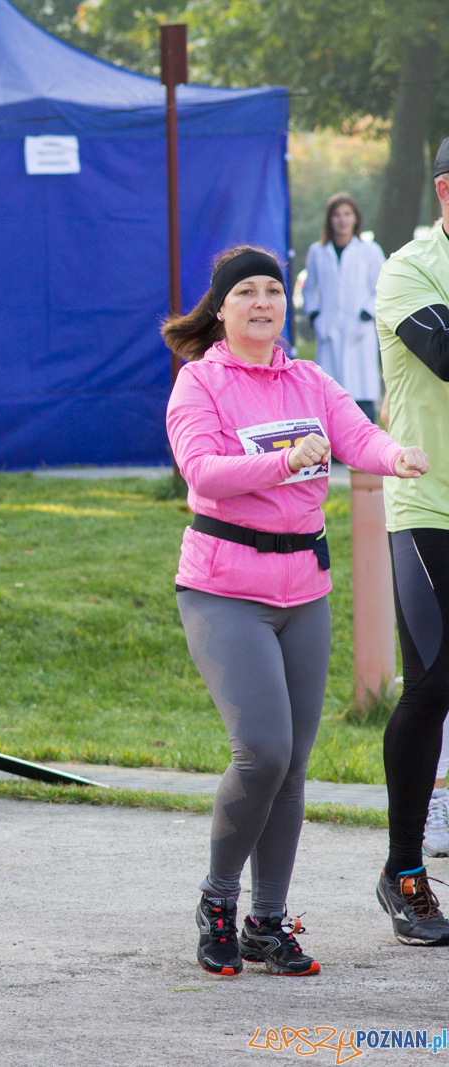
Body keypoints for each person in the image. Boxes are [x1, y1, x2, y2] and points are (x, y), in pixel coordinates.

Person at [164, 245, 426, 977]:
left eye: (273, 291)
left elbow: (354, 434)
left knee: (294, 765)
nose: (261, 302)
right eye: (245, 291)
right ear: (221, 308)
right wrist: (282, 461)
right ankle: (218, 899)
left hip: (303, 589)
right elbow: (203, 472)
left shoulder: (309, 379)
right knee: (264, 751)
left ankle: (267, 921)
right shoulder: (200, 385)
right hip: (223, 588)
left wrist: (393, 453)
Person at [372, 136, 449, 946]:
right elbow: (446, 353)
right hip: (428, 503)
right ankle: (403, 870)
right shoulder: (408, 268)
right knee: (432, 685)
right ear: (444, 191)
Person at [303, 193, 385, 421]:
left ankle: (365, 448)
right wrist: (315, 317)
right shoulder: (317, 252)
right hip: (329, 331)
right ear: (329, 220)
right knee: (330, 392)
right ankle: (335, 448)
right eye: (336, 215)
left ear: (356, 219)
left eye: (347, 214)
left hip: (359, 330)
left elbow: (382, 286)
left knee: (361, 389)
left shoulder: (370, 251)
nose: (342, 220)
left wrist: (366, 314)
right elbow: (308, 290)